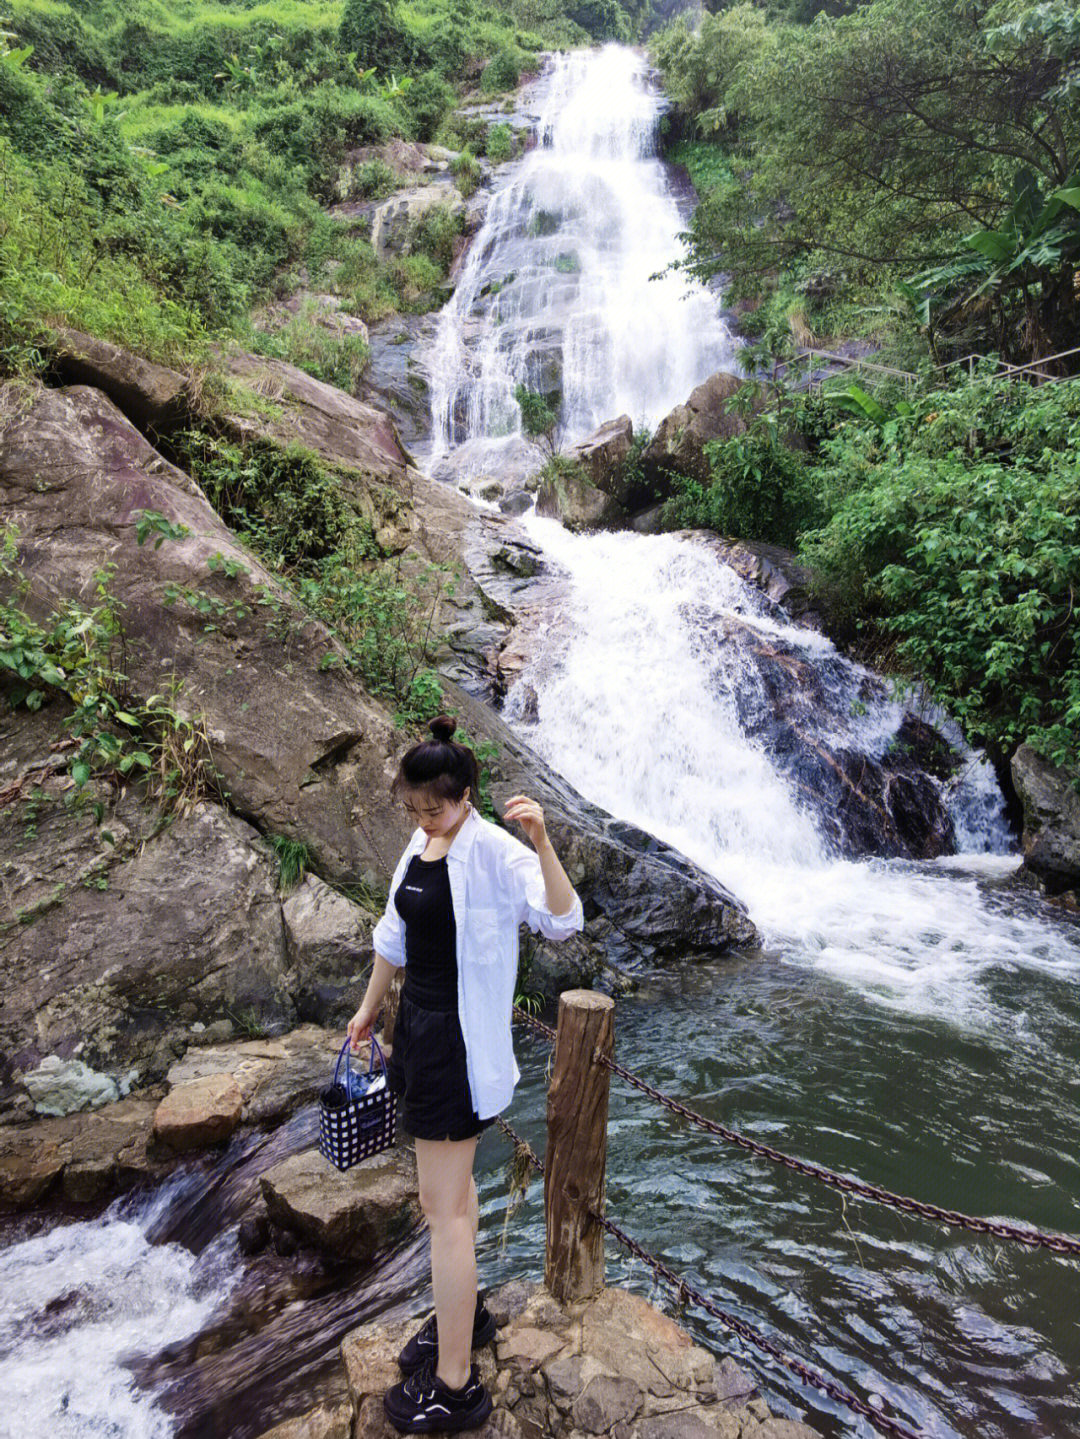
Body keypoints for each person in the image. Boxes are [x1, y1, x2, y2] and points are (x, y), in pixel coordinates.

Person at [347, 714, 584, 1434]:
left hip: (458, 1042)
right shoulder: (420, 844)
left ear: (467, 795)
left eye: (437, 808)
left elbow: (563, 919)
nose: (425, 820)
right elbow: (393, 936)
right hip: (415, 1030)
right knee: (449, 1201)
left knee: (442, 1209)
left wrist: (542, 842)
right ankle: (467, 1315)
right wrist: (365, 1013)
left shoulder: (494, 853)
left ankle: (455, 1384)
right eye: (415, 809)